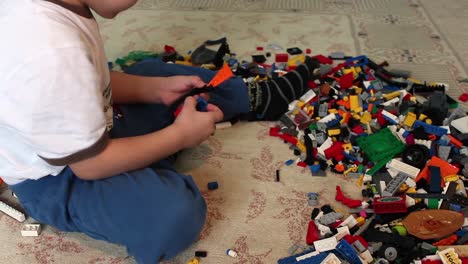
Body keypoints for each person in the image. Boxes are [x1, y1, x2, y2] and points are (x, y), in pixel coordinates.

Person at [0, 0, 319, 263]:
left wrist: (154, 90)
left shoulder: (59, 17)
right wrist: (180, 137)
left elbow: (92, 82)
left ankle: (251, 98)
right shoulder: (52, 50)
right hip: (57, 178)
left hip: (90, 129)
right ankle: (152, 171)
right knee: (172, 215)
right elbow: (90, 165)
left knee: (153, 73)